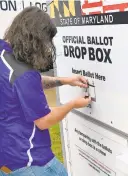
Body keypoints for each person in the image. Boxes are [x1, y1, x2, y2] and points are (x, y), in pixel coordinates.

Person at [0, 6, 91, 176]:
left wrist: (64, 81)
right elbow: (43, 120)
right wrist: (72, 104)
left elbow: (22, 85)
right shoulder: (24, 73)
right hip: (32, 162)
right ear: (35, 39)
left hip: (7, 157)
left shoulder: (4, 54)